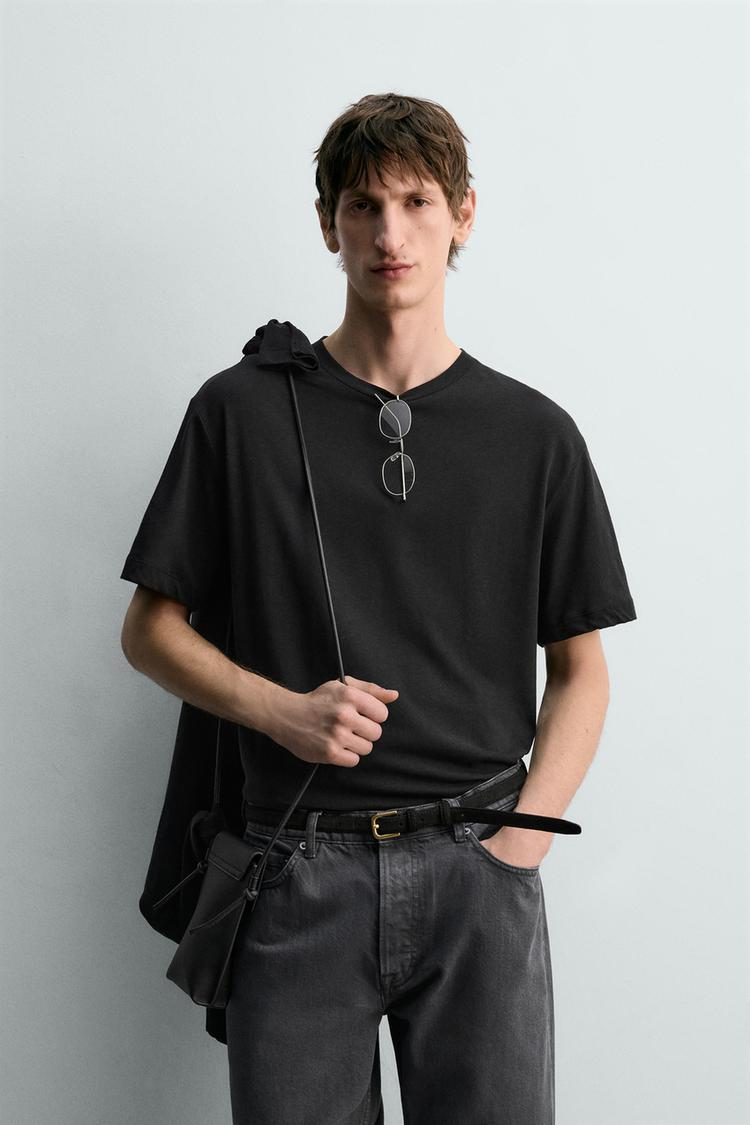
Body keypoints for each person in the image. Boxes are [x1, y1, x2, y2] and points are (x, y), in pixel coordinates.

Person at [120, 92, 637, 1125]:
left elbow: (582, 667)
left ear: (463, 214)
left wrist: (521, 843)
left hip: (479, 861)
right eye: (363, 205)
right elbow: (149, 630)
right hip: (296, 869)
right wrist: (279, 710)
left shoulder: (535, 434)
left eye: (416, 202)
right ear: (329, 224)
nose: (389, 233)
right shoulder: (240, 411)